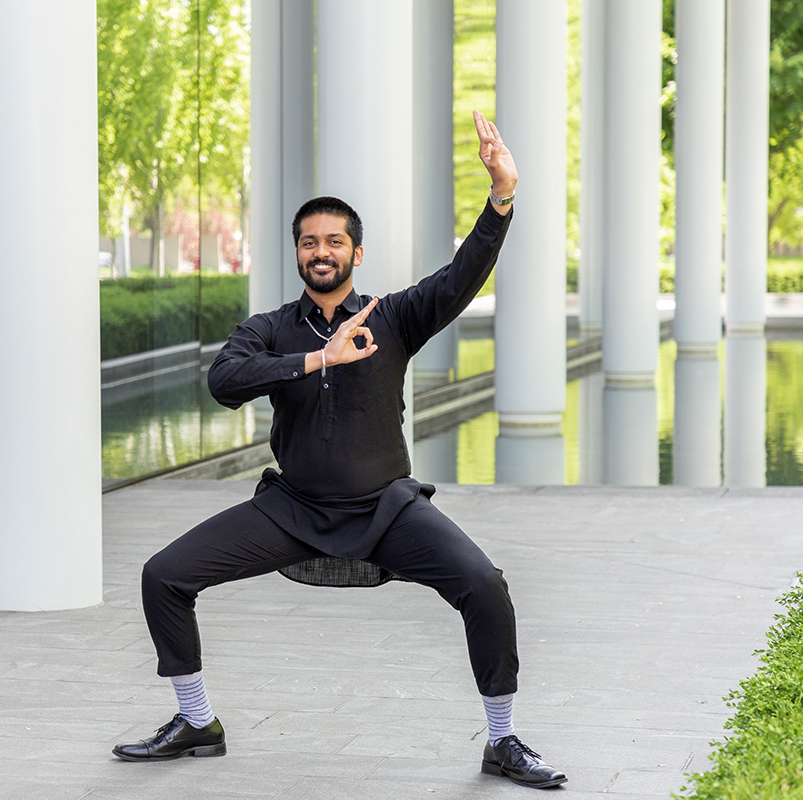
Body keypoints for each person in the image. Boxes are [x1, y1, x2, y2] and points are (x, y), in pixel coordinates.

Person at [112, 111, 566, 789]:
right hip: (291, 509)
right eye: (307, 242)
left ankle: (501, 740)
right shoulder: (266, 329)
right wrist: (315, 359)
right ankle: (196, 721)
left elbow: (463, 273)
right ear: (297, 253)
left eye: (334, 241)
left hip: (387, 508)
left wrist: (501, 197)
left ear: (356, 253)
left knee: (485, 587)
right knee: (164, 575)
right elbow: (223, 383)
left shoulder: (396, 316)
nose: (320, 251)